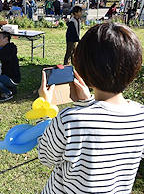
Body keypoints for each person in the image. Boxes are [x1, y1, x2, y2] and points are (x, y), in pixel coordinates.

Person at [37, 22, 144, 194]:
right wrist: (87, 104)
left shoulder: (70, 120)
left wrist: (45, 109)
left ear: (84, 67)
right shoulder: (140, 116)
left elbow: (46, 156)